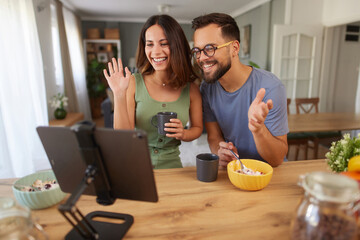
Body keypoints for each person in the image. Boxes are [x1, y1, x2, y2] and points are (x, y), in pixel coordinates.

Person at [103, 15, 203, 169]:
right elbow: (124, 134)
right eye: (149, 44)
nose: (156, 52)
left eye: (164, 43)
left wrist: (184, 133)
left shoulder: (192, 90)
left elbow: (197, 128)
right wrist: (119, 94)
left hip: (173, 167)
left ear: (177, 46)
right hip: (137, 164)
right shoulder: (133, 83)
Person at [191, 13, 288, 167]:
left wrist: (258, 128)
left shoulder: (270, 87)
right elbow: (214, 137)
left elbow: (277, 159)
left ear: (234, 48)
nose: (201, 58)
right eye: (197, 51)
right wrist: (219, 152)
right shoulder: (207, 88)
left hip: (270, 175)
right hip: (235, 171)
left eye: (209, 48)